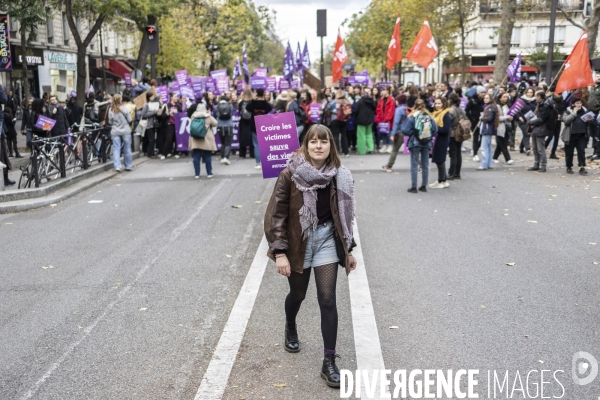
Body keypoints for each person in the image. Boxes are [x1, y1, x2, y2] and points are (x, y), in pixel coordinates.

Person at [263, 124, 357, 389]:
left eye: (324, 141)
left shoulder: (341, 175)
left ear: (331, 146)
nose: (318, 146)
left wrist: (348, 249)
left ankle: (329, 363)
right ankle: (290, 324)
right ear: (306, 145)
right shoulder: (289, 175)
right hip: (298, 243)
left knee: (327, 300)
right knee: (298, 295)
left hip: (327, 239)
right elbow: (276, 216)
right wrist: (280, 253)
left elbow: (344, 217)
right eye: (313, 141)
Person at [402, 99, 438, 193]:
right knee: (425, 164)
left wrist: (414, 134)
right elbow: (435, 130)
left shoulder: (412, 117)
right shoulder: (428, 116)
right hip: (426, 142)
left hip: (415, 142)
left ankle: (414, 187)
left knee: (414, 164)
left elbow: (405, 130)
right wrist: (427, 136)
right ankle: (423, 186)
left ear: (414, 106)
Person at [562, 98, 592, 175]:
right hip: (570, 135)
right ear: (573, 104)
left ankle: (582, 167)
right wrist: (574, 113)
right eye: (577, 103)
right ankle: (569, 167)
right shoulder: (568, 111)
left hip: (581, 135)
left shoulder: (585, 111)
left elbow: (588, 123)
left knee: (581, 151)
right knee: (569, 152)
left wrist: (589, 120)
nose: (579, 105)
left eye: (580, 103)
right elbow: (566, 120)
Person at [245, 88, 273, 169]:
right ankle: (266, 162)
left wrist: (253, 100)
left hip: (254, 125)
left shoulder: (252, 103)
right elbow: (270, 109)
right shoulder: (266, 104)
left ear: (256, 94)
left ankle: (258, 163)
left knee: (256, 145)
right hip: (264, 126)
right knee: (265, 144)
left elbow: (247, 109)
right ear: (263, 94)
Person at [189, 103, 218, 179]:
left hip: (196, 138)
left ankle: (197, 174)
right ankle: (209, 173)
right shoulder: (207, 116)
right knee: (207, 155)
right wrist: (209, 114)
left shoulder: (193, 116)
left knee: (196, 156)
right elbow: (215, 123)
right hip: (206, 138)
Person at [429, 97, 452, 188]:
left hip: (442, 139)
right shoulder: (435, 113)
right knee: (439, 160)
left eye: (439, 103)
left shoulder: (446, 115)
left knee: (440, 160)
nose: (437, 105)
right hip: (436, 139)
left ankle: (440, 181)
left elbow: (446, 129)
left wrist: (434, 129)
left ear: (444, 104)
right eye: (436, 103)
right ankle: (444, 180)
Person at [526, 91, 551, 173]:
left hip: (541, 129)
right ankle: (536, 164)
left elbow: (541, 119)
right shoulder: (538, 105)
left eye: (536, 96)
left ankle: (543, 165)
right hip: (535, 128)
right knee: (535, 149)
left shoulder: (545, 106)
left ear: (539, 96)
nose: (535, 97)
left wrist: (530, 122)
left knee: (541, 149)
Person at [107, 94, 133, 172]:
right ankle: (128, 165)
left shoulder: (111, 110)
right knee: (127, 148)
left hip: (115, 131)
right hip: (125, 130)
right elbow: (129, 119)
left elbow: (110, 122)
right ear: (120, 100)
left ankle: (117, 166)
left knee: (116, 149)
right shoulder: (124, 108)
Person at [382, 94, 408, 172]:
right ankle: (421, 165)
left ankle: (389, 166)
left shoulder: (399, 109)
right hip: (408, 132)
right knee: (413, 151)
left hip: (400, 132)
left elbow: (396, 122)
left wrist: (393, 134)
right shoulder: (407, 108)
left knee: (394, 150)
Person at [476, 94, 498, 170]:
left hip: (487, 129)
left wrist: (482, 118)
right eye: (485, 98)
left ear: (491, 98)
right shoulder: (489, 107)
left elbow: (489, 119)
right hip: (488, 129)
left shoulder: (490, 108)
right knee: (488, 147)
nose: (485, 99)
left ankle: (484, 164)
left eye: (487, 98)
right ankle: (489, 164)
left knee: (484, 147)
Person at [544, 92, 568, 159]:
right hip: (550, 121)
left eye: (560, 94)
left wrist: (562, 116)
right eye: (558, 94)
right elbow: (546, 110)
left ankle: (553, 153)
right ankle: (543, 148)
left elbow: (564, 110)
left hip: (558, 121)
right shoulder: (549, 100)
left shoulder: (562, 101)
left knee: (556, 137)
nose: (559, 95)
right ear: (554, 94)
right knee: (550, 136)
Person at [447, 93, 466, 180]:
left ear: (450, 100)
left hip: (452, 133)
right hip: (460, 132)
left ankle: (451, 173)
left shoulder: (451, 110)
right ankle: (457, 173)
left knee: (453, 154)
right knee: (458, 153)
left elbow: (449, 122)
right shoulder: (460, 109)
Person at [493, 93, 514, 165]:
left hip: (507, 126)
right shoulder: (497, 106)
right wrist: (506, 117)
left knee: (500, 144)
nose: (506, 98)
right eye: (504, 97)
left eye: (506, 97)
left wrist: (510, 118)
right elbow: (496, 118)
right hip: (500, 127)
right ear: (500, 98)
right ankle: (508, 159)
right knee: (503, 143)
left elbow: (511, 114)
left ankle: (494, 157)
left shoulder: (508, 105)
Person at [465, 86, 486, 161]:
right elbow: (466, 110)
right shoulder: (472, 100)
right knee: (476, 137)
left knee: (482, 137)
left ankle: (475, 149)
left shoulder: (485, 101)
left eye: (484, 92)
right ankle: (475, 154)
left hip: (483, 121)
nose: (483, 94)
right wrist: (472, 119)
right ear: (478, 93)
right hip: (475, 122)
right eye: (481, 92)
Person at [328, 90, 350, 157]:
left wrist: (333, 110)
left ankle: (337, 151)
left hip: (335, 119)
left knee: (336, 136)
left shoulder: (335, 101)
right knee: (344, 135)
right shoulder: (346, 101)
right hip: (344, 120)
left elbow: (328, 107)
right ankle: (346, 151)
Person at [374, 87, 395, 153]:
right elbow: (378, 110)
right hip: (382, 120)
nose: (383, 91)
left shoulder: (391, 100)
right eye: (382, 90)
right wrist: (378, 118)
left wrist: (387, 118)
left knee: (389, 133)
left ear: (388, 91)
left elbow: (391, 111)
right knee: (383, 133)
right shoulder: (381, 99)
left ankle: (390, 146)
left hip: (389, 120)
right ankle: (384, 145)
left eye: (384, 90)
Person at [214, 94, 234, 165]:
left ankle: (222, 157)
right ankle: (226, 157)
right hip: (229, 126)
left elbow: (215, 115)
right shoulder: (230, 106)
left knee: (223, 143)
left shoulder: (216, 107)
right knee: (228, 143)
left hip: (220, 126)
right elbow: (231, 114)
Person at [517, 87, 536, 155]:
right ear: (526, 92)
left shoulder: (535, 101)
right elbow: (516, 109)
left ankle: (521, 147)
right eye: (528, 92)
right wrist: (519, 116)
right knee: (526, 133)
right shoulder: (521, 100)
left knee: (527, 134)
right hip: (522, 120)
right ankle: (527, 148)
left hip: (530, 120)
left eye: (531, 92)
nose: (529, 94)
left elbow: (536, 110)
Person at [140, 92, 159, 158]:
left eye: (153, 97)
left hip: (153, 124)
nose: (153, 98)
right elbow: (143, 115)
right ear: (148, 97)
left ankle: (152, 152)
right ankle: (150, 153)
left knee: (152, 139)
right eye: (151, 97)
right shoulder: (146, 105)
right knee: (151, 139)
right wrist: (152, 113)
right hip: (148, 124)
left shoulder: (153, 104)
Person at [238, 88, 255, 159]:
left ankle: (242, 153)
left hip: (243, 121)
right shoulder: (253, 102)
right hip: (252, 121)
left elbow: (239, 111)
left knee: (243, 137)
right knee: (252, 138)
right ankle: (252, 153)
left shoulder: (241, 102)